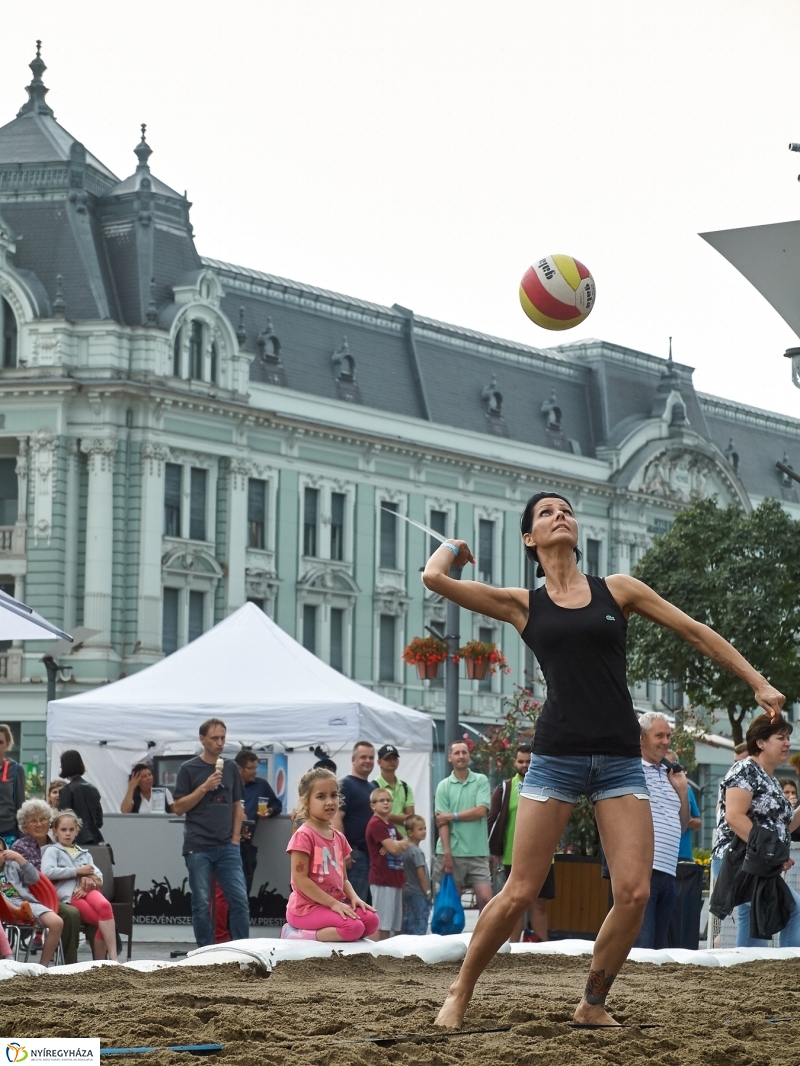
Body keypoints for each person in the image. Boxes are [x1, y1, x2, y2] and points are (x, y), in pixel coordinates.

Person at [423, 491, 785, 1029]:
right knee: (521, 888)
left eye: (565, 509)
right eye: (545, 513)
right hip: (556, 755)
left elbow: (696, 632)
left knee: (635, 892)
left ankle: (591, 1003)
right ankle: (460, 991)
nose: (559, 515)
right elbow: (435, 580)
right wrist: (452, 546)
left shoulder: (616, 591)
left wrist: (756, 681)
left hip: (619, 757)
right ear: (531, 538)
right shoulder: (524, 603)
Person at [712, 713, 800, 946]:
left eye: (788, 737)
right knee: (760, 919)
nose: (788, 743)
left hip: (758, 862)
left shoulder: (769, 778)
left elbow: (782, 827)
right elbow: (734, 817)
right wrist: (772, 852)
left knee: (790, 912)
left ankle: (780, 972)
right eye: (781, 737)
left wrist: (773, 851)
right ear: (760, 742)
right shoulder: (745, 769)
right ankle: (753, 977)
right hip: (740, 859)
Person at [171, 718, 250, 948]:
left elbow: (237, 804)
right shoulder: (189, 768)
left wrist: (235, 838)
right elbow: (178, 808)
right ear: (202, 739)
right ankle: (205, 950)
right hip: (198, 846)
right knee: (201, 903)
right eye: (215, 738)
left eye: (223, 738)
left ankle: (242, 949)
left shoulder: (231, 767)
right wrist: (204, 787)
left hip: (227, 846)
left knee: (239, 900)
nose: (220, 743)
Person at [282, 767, 379, 942]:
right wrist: (334, 903)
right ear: (306, 802)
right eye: (321, 796)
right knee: (353, 927)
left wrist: (354, 898)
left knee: (371, 921)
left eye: (333, 795)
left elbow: (343, 879)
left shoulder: (339, 837)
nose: (329, 802)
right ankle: (295, 934)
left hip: (332, 905)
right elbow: (300, 880)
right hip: (306, 909)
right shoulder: (304, 836)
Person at [634, 715, 690, 949]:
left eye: (668, 736)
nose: (666, 741)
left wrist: (683, 791)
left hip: (668, 869)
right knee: (643, 945)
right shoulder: (632, 770)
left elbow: (683, 825)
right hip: (642, 869)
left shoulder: (671, 775)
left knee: (658, 946)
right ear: (641, 739)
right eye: (659, 735)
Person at [488, 744, 553, 943]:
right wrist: (494, 850)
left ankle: (543, 950)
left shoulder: (549, 785)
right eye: (521, 761)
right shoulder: (505, 787)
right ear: (514, 763)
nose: (525, 765)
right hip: (513, 856)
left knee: (539, 905)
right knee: (515, 904)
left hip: (544, 856)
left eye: (529, 761)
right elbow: (493, 820)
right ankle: (513, 949)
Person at [11, 799, 82, 964]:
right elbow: (33, 880)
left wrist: (85, 875)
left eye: (42, 819)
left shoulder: (58, 843)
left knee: (94, 911)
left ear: (49, 822)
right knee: (71, 913)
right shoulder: (20, 847)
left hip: (64, 891)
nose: (38, 824)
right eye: (32, 821)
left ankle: (101, 963)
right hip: (38, 898)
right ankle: (69, 965)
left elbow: (74, 863)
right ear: (24, 826)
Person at [42, 810, 117, 961]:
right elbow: (47, 872)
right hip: (71, 895)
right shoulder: (52, 850)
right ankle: (101, 963)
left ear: (77, 831)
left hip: (88, 891)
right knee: (101, 921)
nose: (67, 833)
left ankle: (113, 959)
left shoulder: (84, 853)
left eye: (71, 830)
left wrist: (91, 878)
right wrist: (77, 871)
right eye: (63, 830)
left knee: (105, 907)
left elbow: (98, 875)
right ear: (55, 831)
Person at [433, 741, 493, 913]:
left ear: (469, 755)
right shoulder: (443, 786)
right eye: (457, 753)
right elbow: (442, 823)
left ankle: (484, 939)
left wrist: (453, 816)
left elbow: (481, 811)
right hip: (452, 853)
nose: (461, 756)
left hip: (478, 851)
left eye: (464, 752)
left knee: (486, 900)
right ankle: (450, 940)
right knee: (450, 905)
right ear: (449, 757)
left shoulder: (480, 780)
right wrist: (447, 854)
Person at [2, 844, 64, 966]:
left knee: (57, 922)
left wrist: (20, 859)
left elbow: (34, 879)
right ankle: (18, 911)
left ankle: (42, 967)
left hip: (23, 902)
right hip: (3, 906)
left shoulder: (12, 865)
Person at [332, 741, 377, 904]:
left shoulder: (373, 787)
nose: (367, 761)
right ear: (353, 760)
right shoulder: (346, 785)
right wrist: (344, 852)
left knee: (366, 908)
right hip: (355, 856)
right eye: (363, 757)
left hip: (371, 857)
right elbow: (336, 818)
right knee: (353, 908)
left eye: (371, 757)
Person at [235, 749, 281, 894]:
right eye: (251, 768)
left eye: (256, 768)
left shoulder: (261, 785)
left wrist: (269, 812)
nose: (255, 771)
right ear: (239, 768)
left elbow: (277, 805)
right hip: (226, 844)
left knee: (244, 890)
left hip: (246, 845)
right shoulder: (229, 786)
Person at [365, 787, 409, 939]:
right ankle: (378, 955)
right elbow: (395, 849)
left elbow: (405, 844)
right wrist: (393, 846)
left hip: (394, 878)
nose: (385, 803)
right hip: (382, 878)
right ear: (373, 806)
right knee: (383, 924)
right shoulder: (376, 824)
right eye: (381, 800)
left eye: (388, 800)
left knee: (393, 924)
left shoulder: (389, 825)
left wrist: (393, 844)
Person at [57, 751, 103, 845]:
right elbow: (99, 822)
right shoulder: (93, 789)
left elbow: (63, 819)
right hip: (94, 838)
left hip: (74, 841)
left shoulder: (66, 790)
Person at [374, 744, 415, 838]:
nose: (392, 761)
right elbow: (374, 818)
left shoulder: (405, 787)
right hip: (383, 841)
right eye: (387, 758)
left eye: (394, 758)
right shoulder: (374, 786)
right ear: (379, 762)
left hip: (404, 841)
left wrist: (386, 816)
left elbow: (411, 819)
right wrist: (401, 818)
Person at [401, 815, 431, 935]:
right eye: (420, 829)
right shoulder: (417, 852)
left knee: (410, 921)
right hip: (418, 893)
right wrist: (427, 892)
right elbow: (420, 873)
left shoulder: (406, 849)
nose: (424, 832)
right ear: (410, 832)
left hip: (409, 891)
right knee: (419, 923)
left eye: (424, 828)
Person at [671, 750, 702, 862]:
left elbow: (698, 822)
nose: (671, 768)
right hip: (661, 855)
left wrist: (691, 822)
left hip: (684, 854)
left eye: (674, 764)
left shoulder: (687, 789)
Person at [0, 724, 25, 845]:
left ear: (7, 744)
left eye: (0, 742)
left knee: (10, 864)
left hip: (8, 831)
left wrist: (21, 834)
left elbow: (20, 804)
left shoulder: (15, 769)